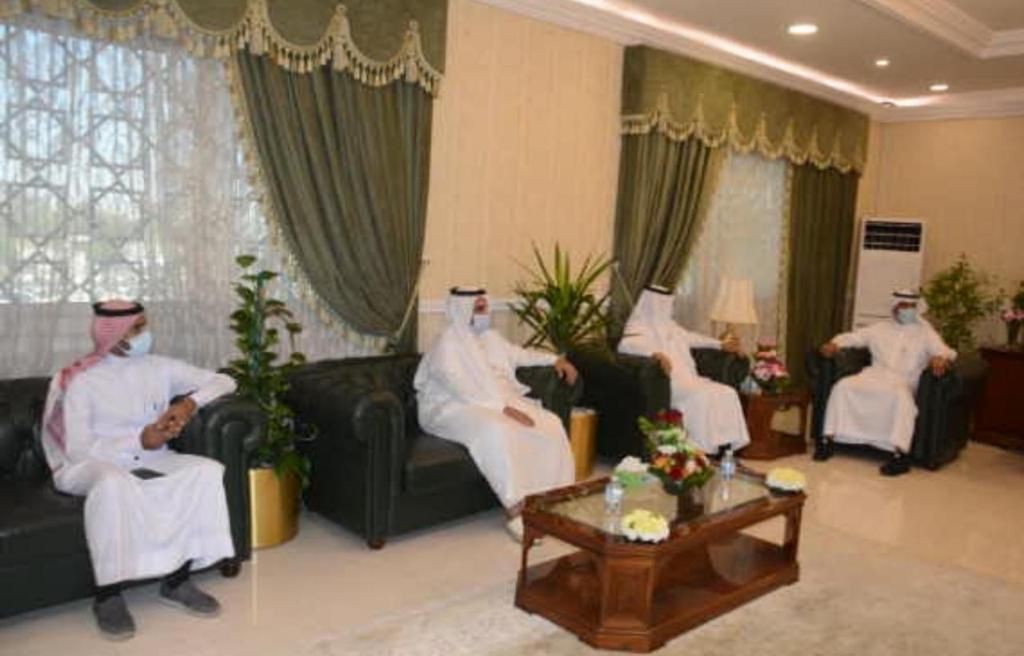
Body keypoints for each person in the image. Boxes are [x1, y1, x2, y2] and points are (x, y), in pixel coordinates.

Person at [42, 300, 238, 640]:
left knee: (205, 471)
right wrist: (138, 440)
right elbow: (77, 449)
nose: (145, 334)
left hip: (149, 458)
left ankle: (177, 581)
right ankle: (108, 596)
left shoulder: (159, 367)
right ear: (113, 333)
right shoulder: (81, 380)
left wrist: (188, 403)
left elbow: (225, 381)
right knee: (113, 483)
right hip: (89, 465)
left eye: (144, 325)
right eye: (137, 328)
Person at [414, 287, 578, 542]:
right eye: (477, 308)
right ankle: (516, 510)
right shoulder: (448, 343)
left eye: (484, 307)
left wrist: (555, 360)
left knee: (550, 423)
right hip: (450, 407)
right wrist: (501, 408)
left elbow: (521, 355)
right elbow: (459, 387)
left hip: (498, 400)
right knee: (497, 429)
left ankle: (552, 500)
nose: (483, 313)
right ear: (462, 310)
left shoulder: (491, 337)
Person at [817, 289, 956, 476]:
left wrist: (940, 358)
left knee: (900, 398)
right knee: (842, 387)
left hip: (904, 380)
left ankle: (900, 455)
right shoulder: (879, 328)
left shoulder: (925, 332)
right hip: (875, 375)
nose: (908, 310)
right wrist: (835, 344)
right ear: (894, 307)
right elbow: (855, 337)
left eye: (912, 306)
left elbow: (944, 350)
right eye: (904, 305)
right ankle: (828, 441)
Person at [618, 284, 750, 454]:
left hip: (689, 378)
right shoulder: (638, 326)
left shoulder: (671, 326)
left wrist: (720, 344)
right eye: (661, 303)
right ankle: (700, 449)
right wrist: (653, 354)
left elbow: (693, 338)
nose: (665, 307)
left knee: (727, 392)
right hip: (667, 382)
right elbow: (626, 344)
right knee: (703, 396)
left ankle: (725, 446)